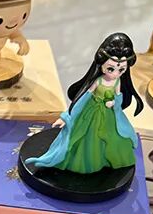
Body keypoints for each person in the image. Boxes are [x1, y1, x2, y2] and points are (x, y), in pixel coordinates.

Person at [26, 33, 143, 174]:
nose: (115, 74)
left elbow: (118, 96)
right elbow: (83, 98)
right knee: (85, 138)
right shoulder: (98, 81)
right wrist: (67, 116)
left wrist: (114, 103)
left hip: (108, 114)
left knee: (113, 138)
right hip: (91, 112)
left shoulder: (117, 81)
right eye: (111, 69)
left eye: (121, 70)